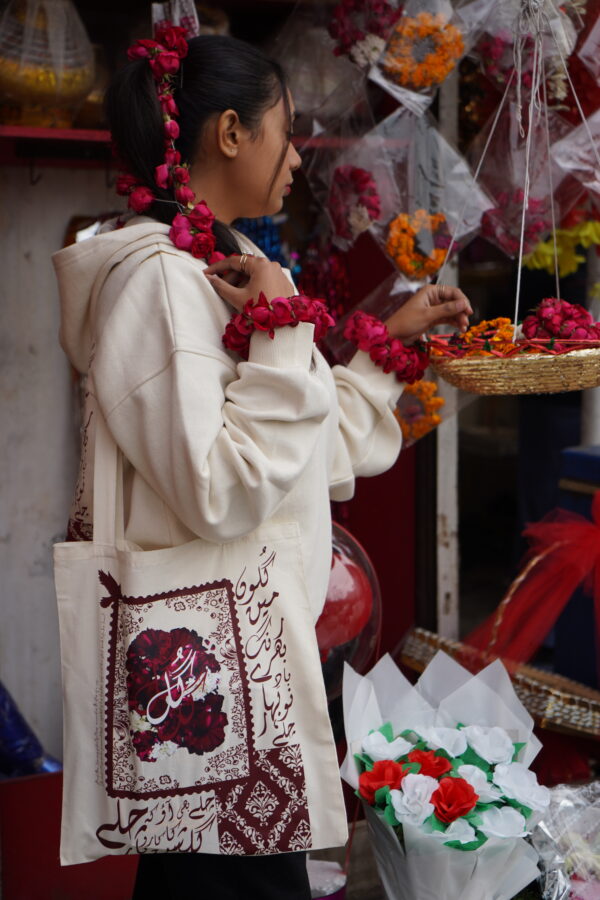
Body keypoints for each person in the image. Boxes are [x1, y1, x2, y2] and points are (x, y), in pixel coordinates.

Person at [53, 28, 472, 900]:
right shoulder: (162, 284)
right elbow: (222, 487)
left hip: (237, 681)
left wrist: (379, 348)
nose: (296, 162)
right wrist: (284, 329)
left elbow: (294, 451)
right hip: (211, 689)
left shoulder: (219, 266)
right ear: (231, 134)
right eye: (285, 134)